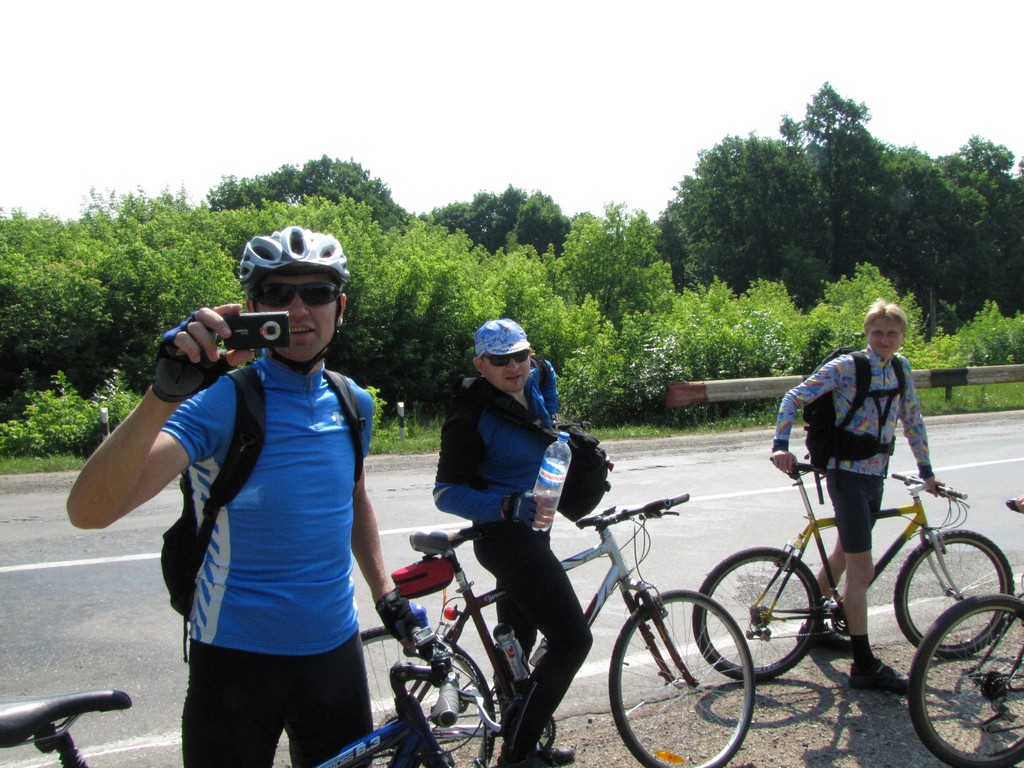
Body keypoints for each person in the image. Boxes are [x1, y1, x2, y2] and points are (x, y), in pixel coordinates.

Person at [67, 226, 423, 768]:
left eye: (317, 292)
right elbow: (89, 511)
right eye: (277, 293)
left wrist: (385, 593)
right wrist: (164, 394)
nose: (298, 309)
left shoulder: (354, 402)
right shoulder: (220, 402)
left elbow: (353, 498)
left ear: (340, 307)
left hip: (336, 655)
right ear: (252, 308)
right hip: (235, 662)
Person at [433, 318, 591, 768]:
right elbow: (445, 493)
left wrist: (566, 444)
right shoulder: (469, 417)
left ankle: (527, 740)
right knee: (572, 641)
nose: (513, 367)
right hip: (505, 539)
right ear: (480, 364)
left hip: (535, 534)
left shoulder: (534, 381)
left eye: (520, 355)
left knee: (518, 652)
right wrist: (506, 506)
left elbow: (546, 402)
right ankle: (517, 757)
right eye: (500, 360)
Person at [769, 299, 940, 695]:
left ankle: (814, 628)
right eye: (877, 332)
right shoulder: (847, 367)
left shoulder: (901, 368)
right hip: (845, 474)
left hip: (875, 475)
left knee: (845, 554)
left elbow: (913, 419)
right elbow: (793, 397)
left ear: (902, 336)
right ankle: (864, 666)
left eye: (892, 333)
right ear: (867, 333)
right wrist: (780, 445)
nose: (884, 340)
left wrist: (927, 470)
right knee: (862, 570)